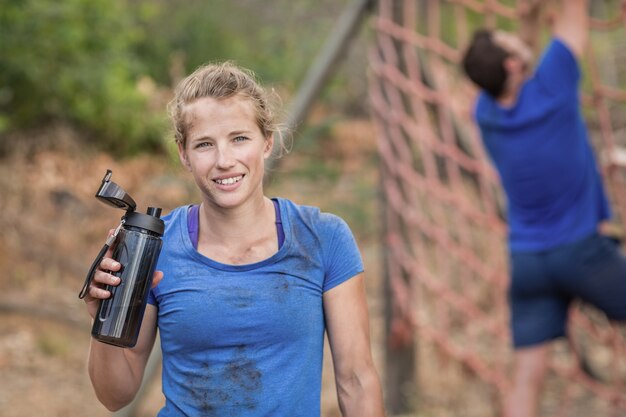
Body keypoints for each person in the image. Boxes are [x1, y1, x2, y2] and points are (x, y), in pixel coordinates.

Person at [82, 61, 386, 417]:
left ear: (267, 142)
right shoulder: (156, 245)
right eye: (204, 144)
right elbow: (115, 395)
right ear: (184, 154)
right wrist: (102, 319)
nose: (224, 160)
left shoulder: (323, 237)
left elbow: (357, 381)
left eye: (239, 138)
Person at [461, 1, 626, 417]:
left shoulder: (485, 113)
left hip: (528, 260)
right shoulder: (554, 81)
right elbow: (573, 12)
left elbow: (520, 51)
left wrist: (531, 14)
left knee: (528, 378)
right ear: (515, 64)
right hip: (583, 253)